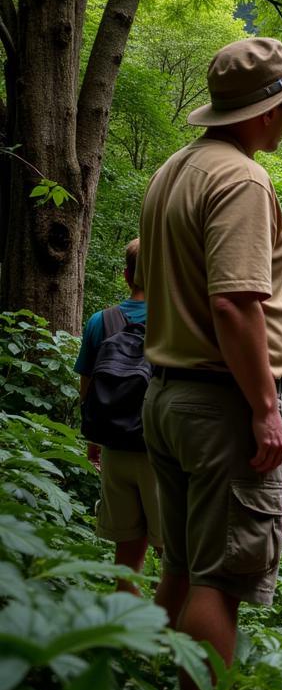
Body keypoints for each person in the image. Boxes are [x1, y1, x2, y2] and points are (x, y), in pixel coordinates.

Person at [137, 37, 282, 690]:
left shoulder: (176, 169)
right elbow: (231, 306)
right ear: (263, 110)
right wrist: (263, 408)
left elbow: (199, 300)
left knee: (178, 570)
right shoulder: (242, 179)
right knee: (218, 581)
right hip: (221, 408)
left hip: (168, 398)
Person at [75, 237, 159, 593]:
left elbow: (87, 389)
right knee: (175, 555)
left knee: (126, 554)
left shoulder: (100, 321)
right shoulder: (174, 322)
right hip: (160, 453)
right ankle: (165, 640)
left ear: (127, 276)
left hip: (114, 448)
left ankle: (125, 640)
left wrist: (94, 441)